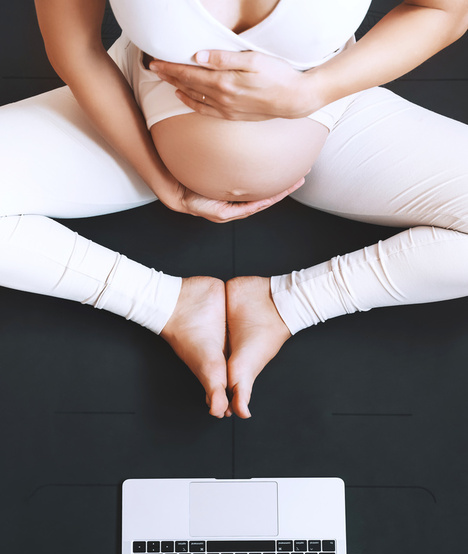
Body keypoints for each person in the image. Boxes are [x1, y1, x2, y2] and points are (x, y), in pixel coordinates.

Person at [1, 0, 468, 419]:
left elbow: (447, 11)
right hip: (135, 114)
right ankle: (164, 304)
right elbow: (73, 46)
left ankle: (286, 305)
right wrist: (162, 179)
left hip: (334, 109)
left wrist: (312, 93)